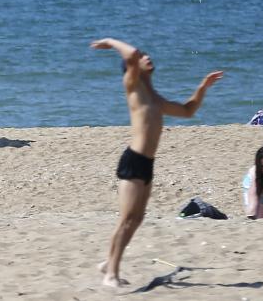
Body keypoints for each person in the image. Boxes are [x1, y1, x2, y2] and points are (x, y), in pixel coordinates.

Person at [90, 38, 223, 288]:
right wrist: (110, 42)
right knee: (126, 219)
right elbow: (131, 54)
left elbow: (188, 110)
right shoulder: (133, 86)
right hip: (133, 161)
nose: (146, 57)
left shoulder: (155, 98)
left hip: (147, 164)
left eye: (148, 56)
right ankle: (111, 274)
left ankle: (109, 263)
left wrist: (203, 87)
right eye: (143, 58)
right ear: (133, 68)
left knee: (137, 218)